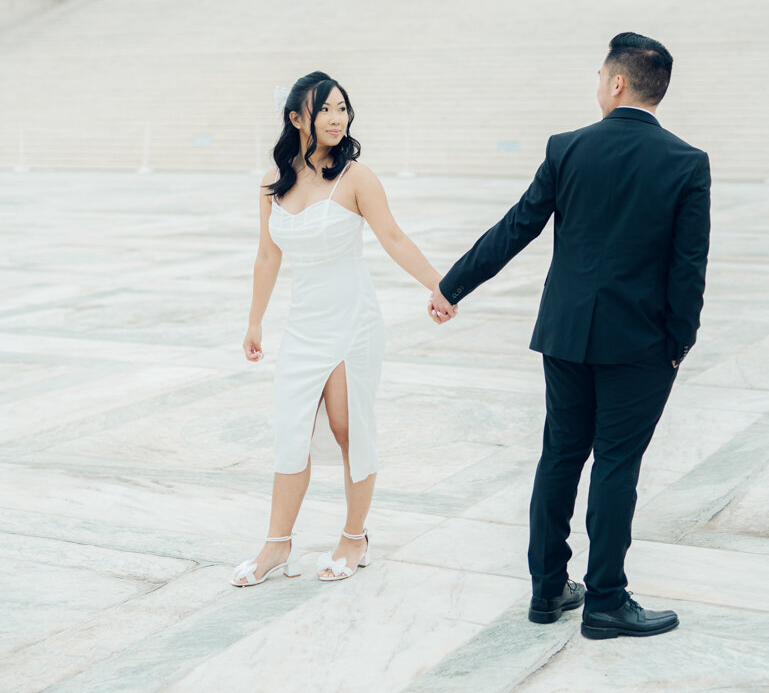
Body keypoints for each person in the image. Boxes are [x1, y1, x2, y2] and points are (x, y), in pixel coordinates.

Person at [429, 33, 710, 639]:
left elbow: (516, 227)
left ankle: (548, 588)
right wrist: (678, 343)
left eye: (599, 76)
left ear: (616, 83)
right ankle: (606, 599)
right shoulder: (687, 163)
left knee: (560, 455)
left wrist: (453, 286)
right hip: (640, 344)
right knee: (615, 464)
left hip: (565, 335)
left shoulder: (568, 149)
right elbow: (689, 270)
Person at [232, 71, 442, 586]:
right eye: (324, 109)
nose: (335, 118)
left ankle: (354, 535)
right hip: (303, 325)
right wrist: (255, 320)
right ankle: (276, 546)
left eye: (342, 108)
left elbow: (392, 237)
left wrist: (440, 286)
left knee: (350, 429)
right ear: (297, 118)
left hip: (353, 322)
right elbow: (266, 255)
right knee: (290, 432)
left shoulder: (356, 178)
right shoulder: (272, 181)